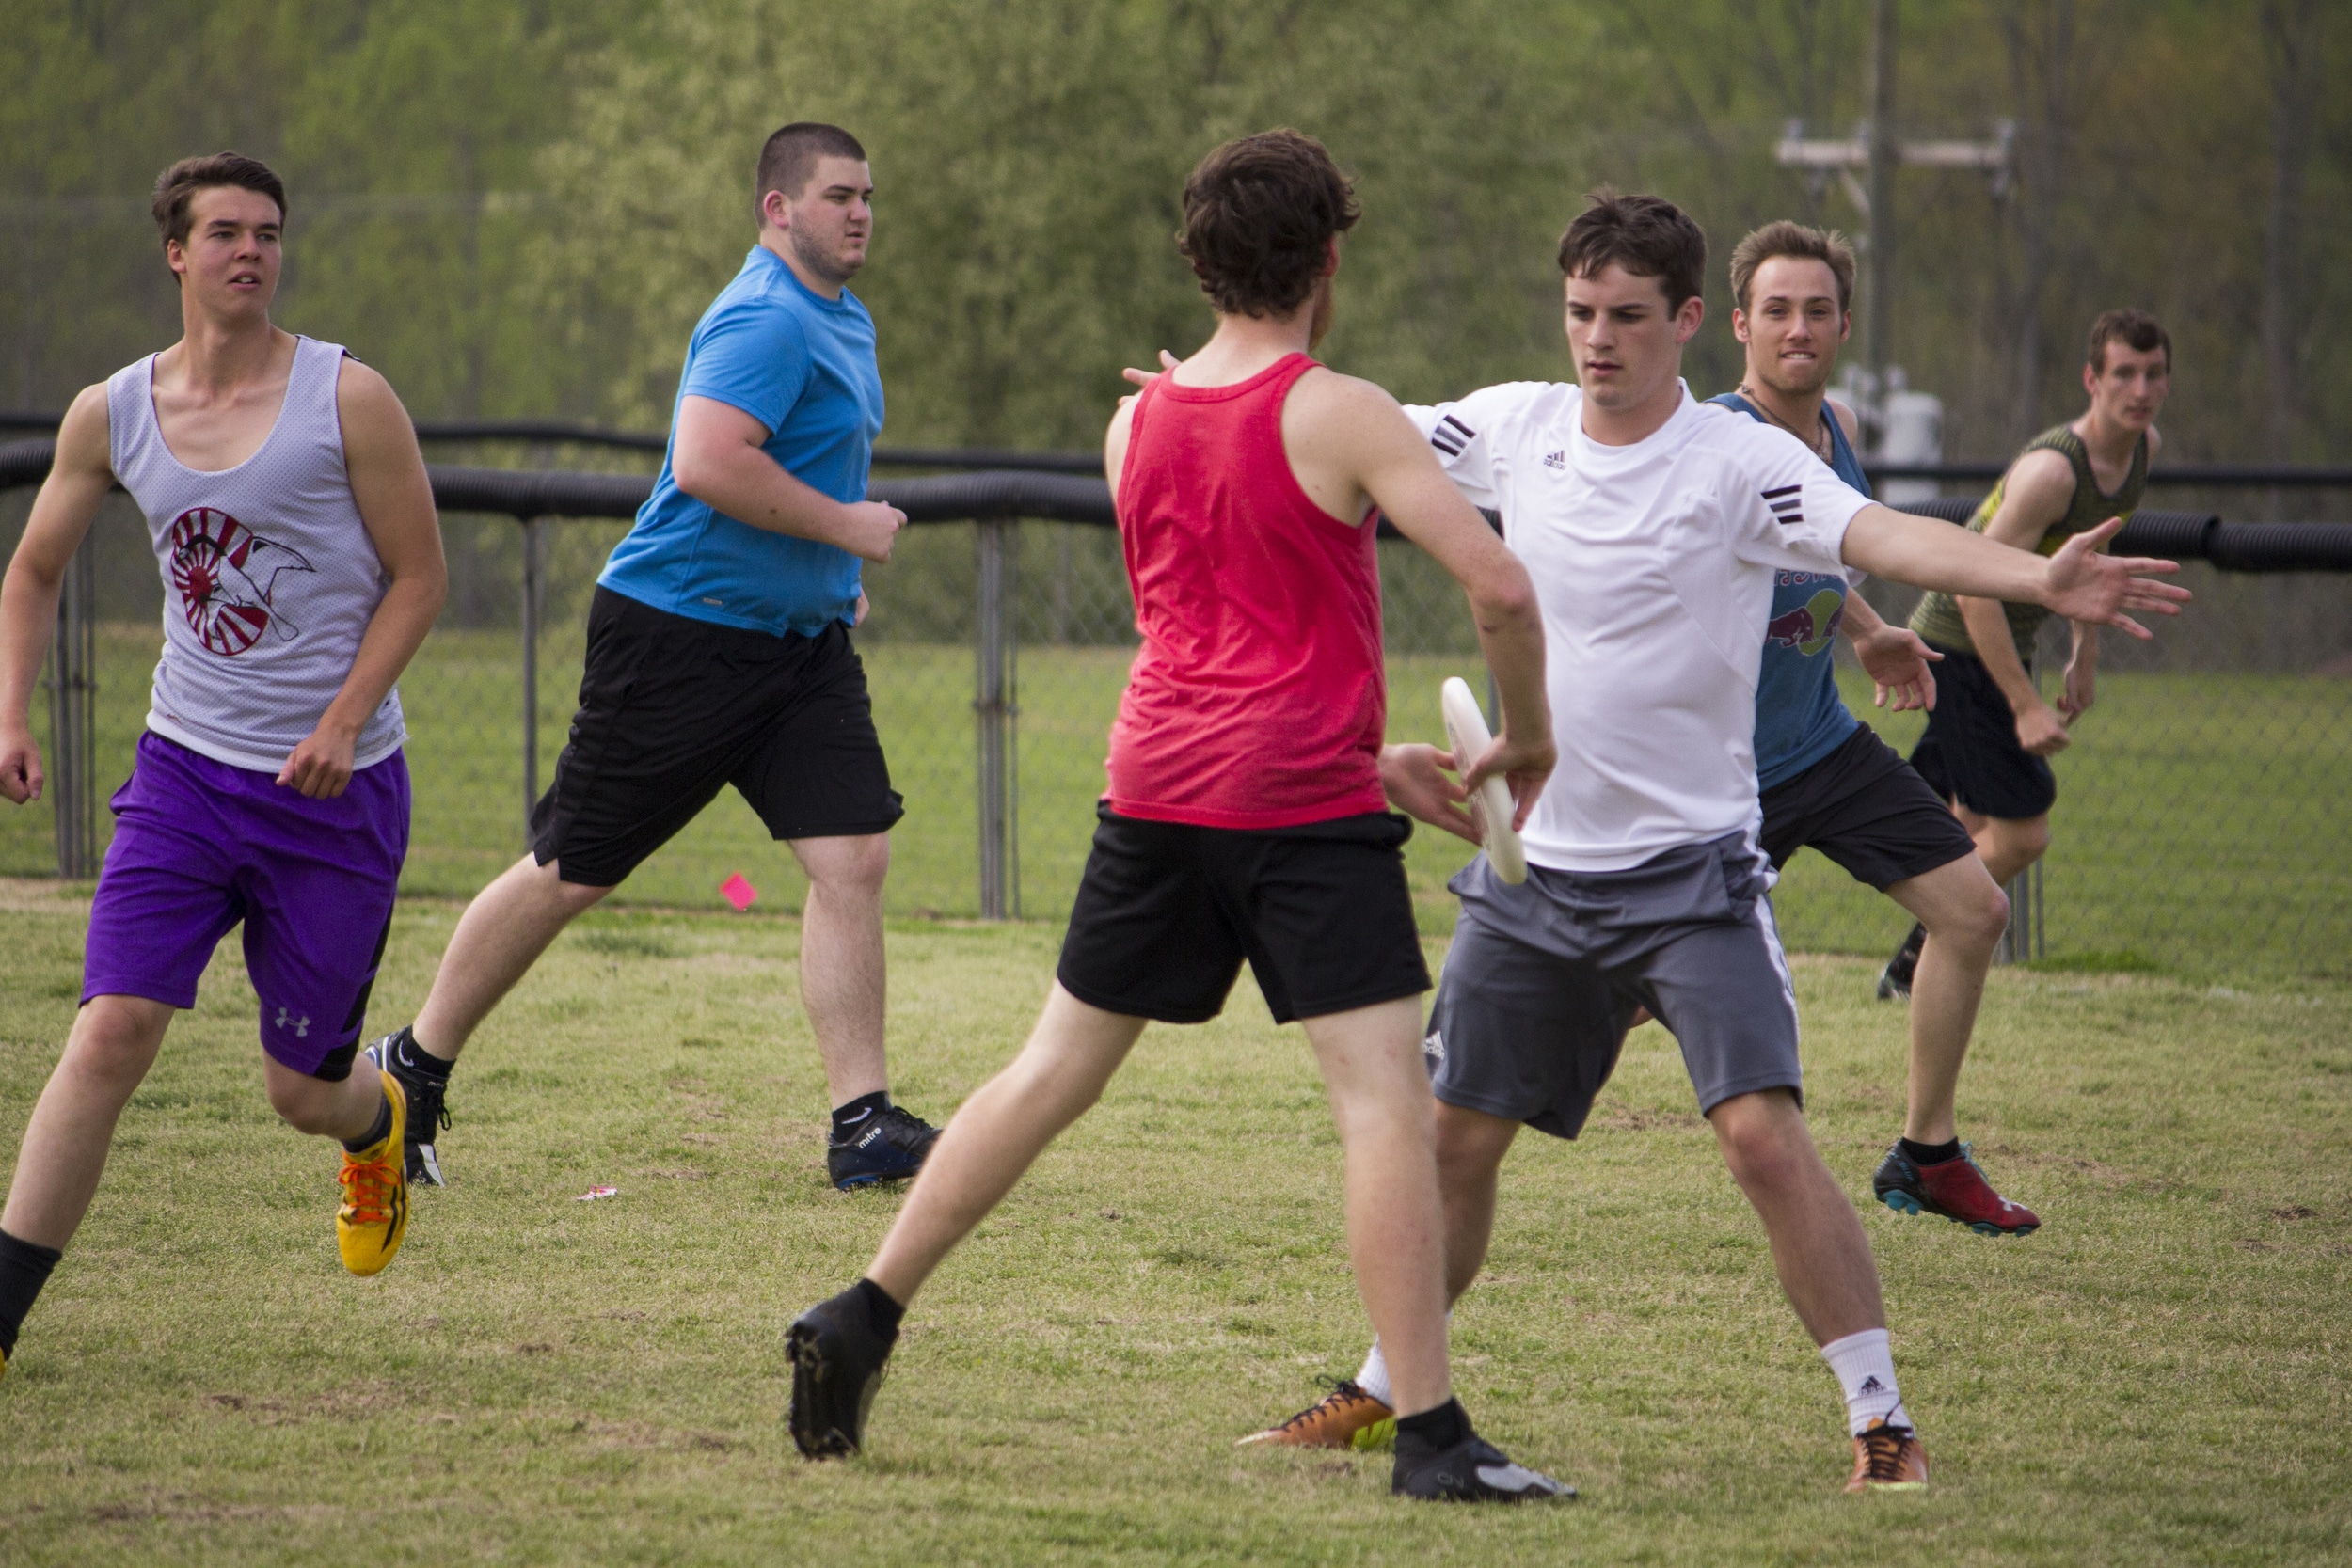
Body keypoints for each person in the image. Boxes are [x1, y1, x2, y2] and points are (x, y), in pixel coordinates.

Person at [1235, 192, 2185, 1492]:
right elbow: (1336, 430)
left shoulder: (1743, 463)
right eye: (1580, 313)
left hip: (1694, 880)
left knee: (1759, 1134)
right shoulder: (1511, 427)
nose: (1599, 341)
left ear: (1689, 320)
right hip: (1533, 881)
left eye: (1628, 317)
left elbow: (1885, 537)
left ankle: (1880, 1419)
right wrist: (1205, 388)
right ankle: (1389, 1385)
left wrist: (2031, 579)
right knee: (1454, 1143)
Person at [787, 130, 1571, 1503]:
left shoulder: (1132, 417)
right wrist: (1533, 733)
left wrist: (1367, 745)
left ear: (1199, 260)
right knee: (1387, 1107)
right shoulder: (1342, 409)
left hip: (1156, 784)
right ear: (1328, 260)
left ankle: (864, 1309)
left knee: (1048, 1071)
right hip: (1293, 801)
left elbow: (1214, 609)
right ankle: (1435, 1434)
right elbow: (1499, 588)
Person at [360, 122, 941, 1193]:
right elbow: (708, 460)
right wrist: (847, 529)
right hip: (679, 634)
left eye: (867, 195)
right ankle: (411, 1060)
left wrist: (824, 574)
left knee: (852, 856)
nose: (859, 212)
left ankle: (862, 1123)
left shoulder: (841, 317)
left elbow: (790, 463)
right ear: (776, 209)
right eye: (836, 195)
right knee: (570, 869)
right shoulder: (763, 317)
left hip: (797, 649)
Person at [0, 152, 449, 1377]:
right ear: (176, 252)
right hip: (187, 772)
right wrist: (11, 713)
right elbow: (34, 566)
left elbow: (422, 577)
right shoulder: (116, 411)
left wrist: (347, 715)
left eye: (269, 232)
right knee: (109, 1031)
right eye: (225, 232)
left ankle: (382, 1119)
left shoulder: (349, 398)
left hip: (333, 792)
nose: (251, 249)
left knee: (301, 1090)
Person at [1709, 222, 2034, 1234]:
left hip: (1819, 745)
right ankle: (1455, 1072)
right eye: (1776, 310)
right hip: (1716, 778)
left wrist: (1867, 629)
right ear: (1737, 326)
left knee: (1974, 907)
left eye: (1815, 309)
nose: (1796, 327)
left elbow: (1809, 546)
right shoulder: (1711, 439)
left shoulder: (1833, 428)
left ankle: (1926, 1154)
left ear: (1843, 323)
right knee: (1623, 991)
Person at [1890, 310, 2170, 999]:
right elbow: (1975, 589)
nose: (2140, 389)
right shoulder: (2052, 471)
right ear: (2091, 379)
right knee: (2023, 834)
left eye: (2154, 373)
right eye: (2124, 373)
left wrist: (2084, 652)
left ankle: (1915, 963)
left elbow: (2089, 557)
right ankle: (1917, 957)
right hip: (1959, 639)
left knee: (1975, 825)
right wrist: (2023, 704)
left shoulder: (2142, 450)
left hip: (2006, 640)